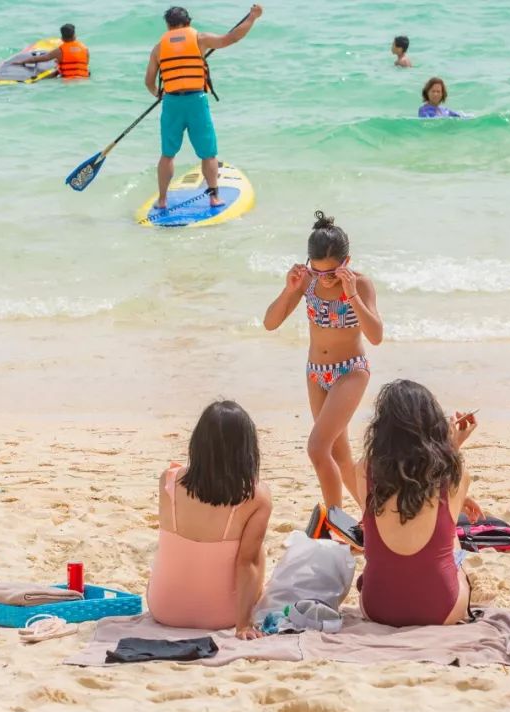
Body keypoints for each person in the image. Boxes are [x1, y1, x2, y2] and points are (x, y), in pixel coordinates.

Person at [263, 212, 383, 514]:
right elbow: (270, 322)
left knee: (318, 448)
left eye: (331, 273)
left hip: (351, 371)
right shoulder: (307, 284)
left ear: (347, 262)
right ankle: (375, 520)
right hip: (316, 373)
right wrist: (290, 289)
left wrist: (352, 294)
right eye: (316, 271)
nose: (323, 278)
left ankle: (335, 523)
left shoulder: (362, 284)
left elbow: (376, 335)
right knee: (340, 456)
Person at [355, 380, 482, 626]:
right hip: (441, 610)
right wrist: (451, 448)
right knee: (452, 538)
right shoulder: (456, 473)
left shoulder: (365, 469)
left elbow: (405, 491)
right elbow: (439, 521)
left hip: (376, 608)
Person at [147, 400, 273, 640]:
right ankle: (242, 617)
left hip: (164, 609)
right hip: (223, 615)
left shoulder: (169, 480)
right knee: (256, 551)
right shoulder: (257, 497)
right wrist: (243, 625)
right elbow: (247, 564)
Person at [144, 5, 263, 209]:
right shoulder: (200, 39)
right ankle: (214, 197)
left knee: (168, 154)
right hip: (196, 102)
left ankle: (162, 200)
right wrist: (252, 17)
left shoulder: (158, 47)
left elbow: (148, 81)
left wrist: (159, 95)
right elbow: (232, 37)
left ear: (167, 25)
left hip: (172, 103)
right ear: (188, 22)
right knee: (208, 153)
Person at [12, 23, 89, 80]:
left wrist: (22, 62)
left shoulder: (59, 51)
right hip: (84, 80)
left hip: (67, 81)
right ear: (74, 35)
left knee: (54, 72)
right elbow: (85, 64)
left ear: (62, 38)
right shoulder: (85, 49)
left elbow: (41, 58)